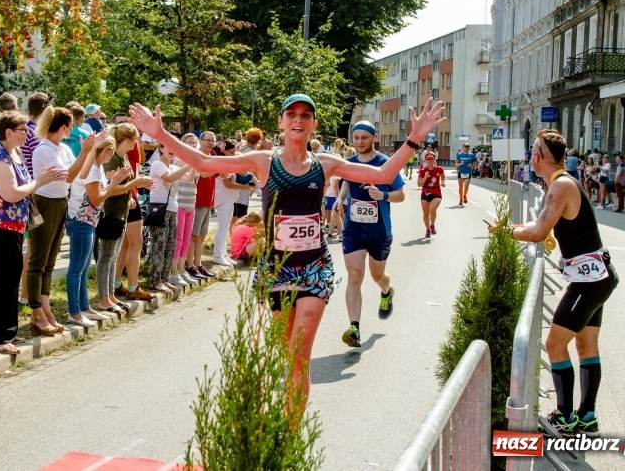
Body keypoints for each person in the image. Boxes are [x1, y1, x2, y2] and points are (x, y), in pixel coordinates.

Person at [128, 94, 445, 411]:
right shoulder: (264, 161)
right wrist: (159, 134)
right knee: (287, 356)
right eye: (291, 114)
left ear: (313, 125)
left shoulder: (326, 164)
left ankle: (290, 435)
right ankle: (286, 430)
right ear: (281, 122)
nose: (298, 119)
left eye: (305, 115)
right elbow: (204, 163)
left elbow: (383, 175)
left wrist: (414, 139)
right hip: (277, 271)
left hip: (314, 269)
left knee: (298, 352)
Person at [501, 129, 618, 436]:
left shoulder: (561, 186)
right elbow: (542, 226)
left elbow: (539, 231)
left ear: (537, 159)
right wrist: (516, 226)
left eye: (532, 153)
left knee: (554, 344)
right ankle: (587, 416)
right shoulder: (564, 182)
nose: (530, 158)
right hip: (595, 276)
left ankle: (565, 416)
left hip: (589, 281)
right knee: (585, 343)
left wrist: (506, 232)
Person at [0, 112, 66, 352]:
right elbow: (11, 193)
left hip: (12, 224)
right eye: (22, 130)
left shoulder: (12, 154)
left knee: (3, 277)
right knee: (6, 277)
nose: (27, 135)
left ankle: (0, 330)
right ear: (8, 132)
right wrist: (40, 182)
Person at [28, 107, 102, 334]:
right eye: (70, 125)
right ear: (63, 127)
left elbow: (79, 173)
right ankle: (36, 311)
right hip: (45, 202)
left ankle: (46, 307)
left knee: (50, 260)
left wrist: (91, 150)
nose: (72, 129)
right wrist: (85, 151)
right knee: (38, 260)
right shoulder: (44, 150)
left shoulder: (60, 148)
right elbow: (69, 175)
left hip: (61, 202)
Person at [334, 120, 405, 348]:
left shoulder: (385, 163)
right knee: (354, 276)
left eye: (365, 137)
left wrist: (382, 196)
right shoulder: (350, 162)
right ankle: (354, 327)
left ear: (374, 137)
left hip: (379, 230)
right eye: (356, 138)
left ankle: (386, 290)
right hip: (353, 228)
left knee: (377, 277)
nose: (360, 141)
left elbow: (401, 194)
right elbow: (347, 182)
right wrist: (340, 198)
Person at [65, 137, 127, 328]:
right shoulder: (91, 169)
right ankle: (74, 311)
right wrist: (113, 183)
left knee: (82, 268)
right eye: (111, 150)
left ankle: (84, 307)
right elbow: (95, 198)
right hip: (81, 221)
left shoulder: (95, 167)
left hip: (88, 221)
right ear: (106, 151)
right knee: (77, 268)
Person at [96, 123, 151, 310]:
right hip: (111, 213)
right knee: (106, 257)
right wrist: (134, 183)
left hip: (121, 212)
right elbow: (110, 190)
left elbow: (121, 187)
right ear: (128, 140)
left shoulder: (124, 157)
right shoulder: (113, 159)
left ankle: (110, 294)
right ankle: (104, 298)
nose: (137, 142)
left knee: (113, 256)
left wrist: (129, 196)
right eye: (136, 139)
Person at [147, 143, 193, 292]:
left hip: (173, 208)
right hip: (159, 209)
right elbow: (169, 178)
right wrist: (188, 165)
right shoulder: (157, 164)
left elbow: (188, 178)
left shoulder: (174, 167)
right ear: (161, 148)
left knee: (170, 245)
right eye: (168, 147)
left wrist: (194, 164)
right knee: (158, 245)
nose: (172, 150)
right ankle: (155, 279)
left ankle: (164, 278)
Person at [184, 131, 218, 280]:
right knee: (193, 236)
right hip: (196, 201)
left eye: (213, 141)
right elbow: (203, 174)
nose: (210, 143)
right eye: (207, 140)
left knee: (202, 236)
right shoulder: (196, 156)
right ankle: (190, 264)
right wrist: (223, 164)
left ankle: (198, 263)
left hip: (208, 200)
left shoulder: (212, 157)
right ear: (200, 140)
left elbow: (221, 175)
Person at [169, 133, 201, 287]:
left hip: (191, 203)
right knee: (179, 239)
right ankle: (174, 271)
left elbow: (195, 178)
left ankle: (182, 270)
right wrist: (194, 160)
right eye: (189, 142)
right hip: (179, 203)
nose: (192, 145)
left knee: (186, 239)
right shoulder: (177, 159)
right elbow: (185, 169)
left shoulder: (194, 160)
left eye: (194, 143)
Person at [417, 151, 445, 238]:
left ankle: (432, 225)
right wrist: (425, 176)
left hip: (436, 191)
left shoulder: (439, 169)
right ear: (425, 160)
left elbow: (443, 175)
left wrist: (442, 182)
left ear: (434, 160)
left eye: (431, 159)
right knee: (426, 214)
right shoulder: (422, 170)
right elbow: (419, 184)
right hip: (425, 192)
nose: (429, 161)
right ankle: (427, 229)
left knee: (432, 209)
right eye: (428, 159)